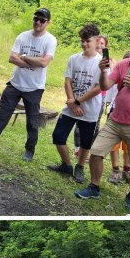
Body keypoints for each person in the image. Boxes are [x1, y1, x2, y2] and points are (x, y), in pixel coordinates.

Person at [75, 26, 130, 211]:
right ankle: (94, 187)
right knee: (96, 152)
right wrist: (103, 72)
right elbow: (105, 85)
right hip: (115, 120)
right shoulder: (123, 64)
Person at [0, 8, 57, 161]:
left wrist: (23, 57)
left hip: (35, 87)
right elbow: (11, 58)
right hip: (15, 83)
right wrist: (30, 61)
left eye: (42, 20)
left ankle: (29, 150)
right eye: (36, 18)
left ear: (47, 23)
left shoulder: (50, 40)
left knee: (32, 121)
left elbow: (44, 63)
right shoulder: (23, 36)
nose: (38, 22)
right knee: (2, 115)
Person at [47, 24, 103, 183]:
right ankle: (66, 165)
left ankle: (79, 167)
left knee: (85, 142)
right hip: (71, 107)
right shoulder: (74, 58)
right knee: (58, 136)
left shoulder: (101, 63)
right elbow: (67, 81)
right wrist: (73, 103)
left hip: (89, 110)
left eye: (88, 41)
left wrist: (78, 102)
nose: (84, 44)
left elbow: (99, 88)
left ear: (97, 41)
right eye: (82, 41)